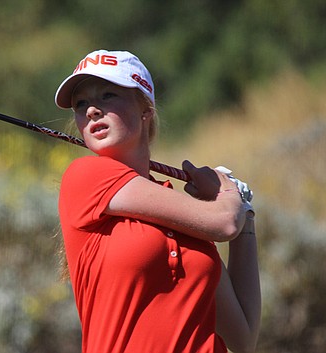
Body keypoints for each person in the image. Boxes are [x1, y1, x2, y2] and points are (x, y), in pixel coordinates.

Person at [55, 50, 261, 353]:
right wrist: (230, 193)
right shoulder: (85, 176)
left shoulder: (184, 216)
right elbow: (224, 221)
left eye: (108, 95)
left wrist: (248, 218)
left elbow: (243, 339)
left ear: (145, 108)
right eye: (80, 103)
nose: (91, 111)